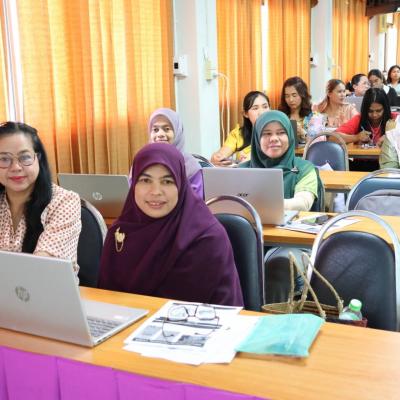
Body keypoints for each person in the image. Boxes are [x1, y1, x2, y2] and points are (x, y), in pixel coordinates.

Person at [98, 143, 244, 306]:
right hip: (125, 320)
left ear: (181, 184)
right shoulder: (119, 234)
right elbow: (105, 299)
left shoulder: (207, 238)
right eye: (145, 180)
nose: (155, 191)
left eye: (167, 181)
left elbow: (217, 310)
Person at [0, 122, 81, 274]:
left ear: (38, 158)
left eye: (25, 157)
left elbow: (42, 270)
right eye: (4, 159)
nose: (16, 167)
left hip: (48, 287)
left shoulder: (64, 201)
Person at [240, 111, 320, 211]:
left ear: (290, 136)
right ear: (257, 138)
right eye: (267, 133)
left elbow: (302, 204)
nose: (274, 138)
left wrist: (252, 204)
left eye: (281, 133)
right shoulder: (240, 171)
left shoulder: (304, 169)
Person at [129, 108, 203, 199]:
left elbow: (196, 201)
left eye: (166, 129)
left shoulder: (190, 165)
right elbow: (132, 195)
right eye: (155, 130)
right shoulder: (142, 161)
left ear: (177, 132)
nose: (160, 134)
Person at [211, 91, 270, 165]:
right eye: (255, 108)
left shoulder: (278, 132)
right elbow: (223, 153)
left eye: (265, 107)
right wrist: (217, 157)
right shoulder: (237, 134)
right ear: (245, 114)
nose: (261, 112)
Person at [278, 76, 312, 143]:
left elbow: (317, 142)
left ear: (302, 95)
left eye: (294, 95)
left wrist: (303, 133)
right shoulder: (280, 116)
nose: (291, 100)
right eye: (287, 96)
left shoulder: (312, 117)